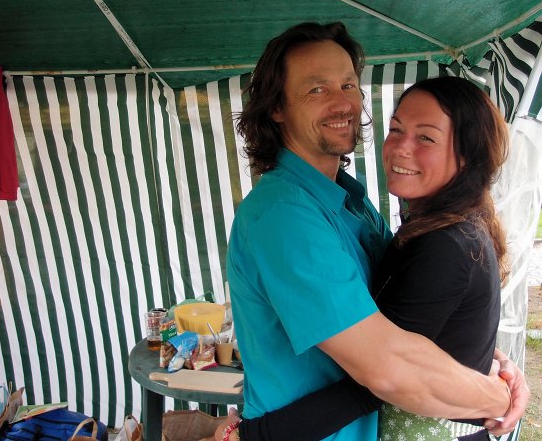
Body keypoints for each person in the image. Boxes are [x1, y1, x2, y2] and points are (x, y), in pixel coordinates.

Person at [217, 22, 529, 441]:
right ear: (276, 108)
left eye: (348, 85)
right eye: (317, 89)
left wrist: (488, 361)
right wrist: (497, 397)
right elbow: (389, 368)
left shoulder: (352, 203)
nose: (342, 103)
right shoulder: (283, 215)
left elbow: (413, 315)